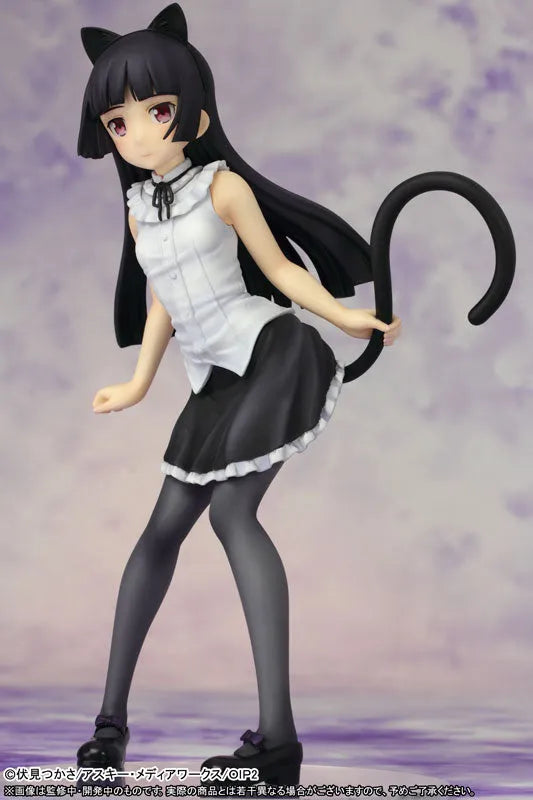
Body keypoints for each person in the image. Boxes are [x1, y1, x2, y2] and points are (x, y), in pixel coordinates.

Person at [75, 3, 402, 786]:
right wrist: (139, 382)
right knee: (159, 533)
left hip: (270, 352)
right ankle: (109, 724)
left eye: (156, 111)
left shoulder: (222, 188)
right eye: (119, 122)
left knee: (231, 515)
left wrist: (344, 316)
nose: (138, 133)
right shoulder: (138, 211)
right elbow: (161, 300)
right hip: (212, 381)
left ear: (194, 111)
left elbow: (280, 270)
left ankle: (278, 738)